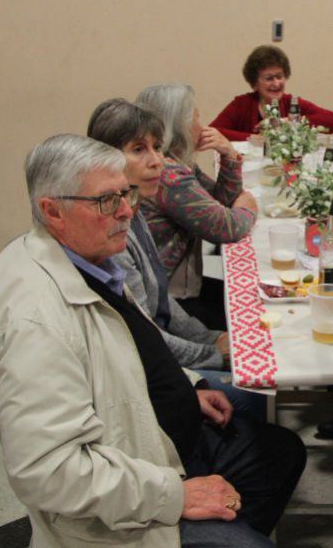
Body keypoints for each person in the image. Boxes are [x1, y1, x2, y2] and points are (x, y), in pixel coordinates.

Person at [0, 134, 305, 547]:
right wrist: (175, 496)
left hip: (154, 441)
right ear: (52, 211)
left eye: (126, 194)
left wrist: (186, 385)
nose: (126, 211)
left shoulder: (84, 257)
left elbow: (128, 346)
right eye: (107, 201)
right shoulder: (36, 322)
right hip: (124, 507)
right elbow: (47, 472)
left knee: (280, 451)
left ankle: (223, 529)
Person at [87, 98, 266, 419]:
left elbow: (162, 303)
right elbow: (144, 336)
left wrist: (210, 337)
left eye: (157, 147)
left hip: (163, 332)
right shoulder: (113, 235)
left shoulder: (134, 207)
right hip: (141, 371)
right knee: (253, 394)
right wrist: (213, 354)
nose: (158, 161)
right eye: (139, 149)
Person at [136, 83, 258, 331]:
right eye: (196, 117)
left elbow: (221, 200)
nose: (202, 126)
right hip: (171, 299)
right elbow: (228, 227)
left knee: (253, 295)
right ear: (178, 125)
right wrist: (249, 207)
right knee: (255, 318)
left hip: (180, 286)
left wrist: (229, 155)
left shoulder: (178, 163)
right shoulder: (168, 175)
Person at [209, 45, 333, 142]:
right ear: (255, 83)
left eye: (279, 76)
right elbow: (212, 132)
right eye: (269, 78)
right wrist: (255, 139)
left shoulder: (291, 103)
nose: (276, 83)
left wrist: (288, 121)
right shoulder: (242, 104)